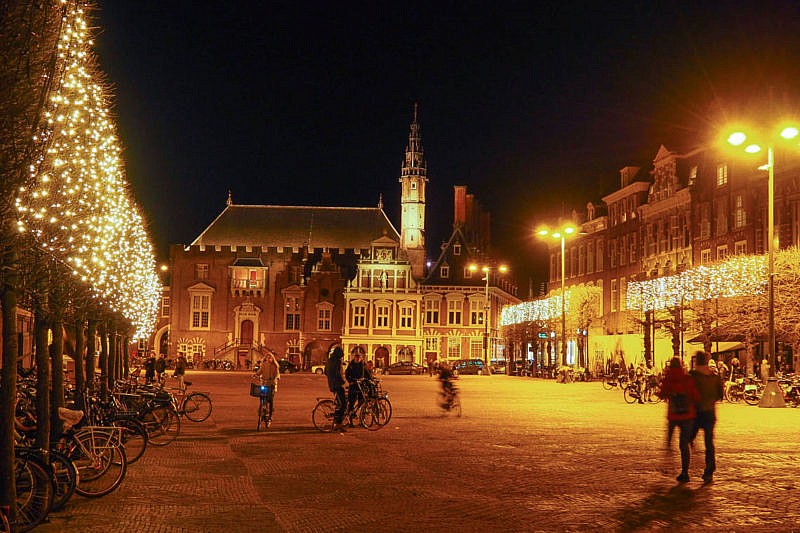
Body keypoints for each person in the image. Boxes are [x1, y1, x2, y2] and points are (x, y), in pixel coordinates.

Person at [658, 357, 700, 483]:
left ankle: (668, 450)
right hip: (687, 415)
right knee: (684, 444)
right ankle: (685, 471)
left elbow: (662, 394)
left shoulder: (668, 378)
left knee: (670, 435)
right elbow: (695, 396)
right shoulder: (687, 378)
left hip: (673, 415)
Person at [689, 351, 724, 484]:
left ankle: (686, 469)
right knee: (709, 443)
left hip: (697, 413)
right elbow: (719, 396)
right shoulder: (715, 377)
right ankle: (709, 470)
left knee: (688, 437)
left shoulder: (692, 376)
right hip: (710, 412)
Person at [325, 343, 347, 432]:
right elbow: (338, 374)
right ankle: (338, 424)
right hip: (337, 385)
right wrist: (343, 382)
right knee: (343, 404)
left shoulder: (329, 360)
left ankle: (337, 422)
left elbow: (325, 372)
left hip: (332, 384)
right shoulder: (337, 362)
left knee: (339, 403)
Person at [255, 351, 280, 426]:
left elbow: (277, 374)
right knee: (262, 397)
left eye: (270, 357)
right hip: (264, 383)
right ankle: (262, 409)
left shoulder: (275, 366)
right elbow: (260, 371)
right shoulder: (263, 365)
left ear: (272, 359)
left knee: (270, 399)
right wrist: (256, 375)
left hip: (271, 384)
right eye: (267, 357)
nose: (268, 359)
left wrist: (276, 378)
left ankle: (270, 415)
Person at [345, 347, 367, 426]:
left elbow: (367, 374)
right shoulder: (351, 364)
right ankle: (350, 420)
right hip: (353, 386)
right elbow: (347, 374)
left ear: (361, 358)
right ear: (354, 358)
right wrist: (351, 381)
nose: (357, 359)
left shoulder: (363, 364)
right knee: (351, 403)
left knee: (362, 402)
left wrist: (369, 380)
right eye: (356, 357)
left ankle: (361, 419)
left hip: (361, 386)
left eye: (359, 357)